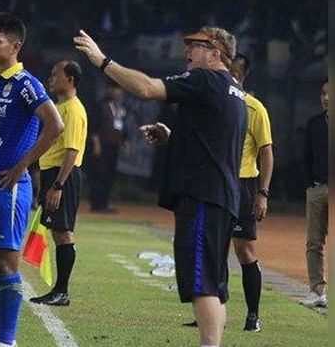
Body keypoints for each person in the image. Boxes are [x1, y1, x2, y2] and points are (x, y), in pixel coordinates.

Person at [75, 26, 246, 347]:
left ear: (216, 52)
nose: (188, 50)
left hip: (202, 197)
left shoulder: (205, 80)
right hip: (221, 197)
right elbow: (214, 142)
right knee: (215, 284)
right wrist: (174, 138)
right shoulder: (233, 89)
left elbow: (147, 88)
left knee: (202, 285)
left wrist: (102, 61)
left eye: (196, 45)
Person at [0, 12, 63, 347]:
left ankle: (7, 342)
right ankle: (1, 339)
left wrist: (23, 166)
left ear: (16, 45)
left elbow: (55, 126)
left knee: (6, 264)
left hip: (9, 188)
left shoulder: (27, 85)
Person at [181, 53, 274, 332]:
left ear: (240, 75)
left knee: (244, 249)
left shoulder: (255, 109)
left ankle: (253, 315)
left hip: (244, 186)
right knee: (212, 251)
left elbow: (267, 154)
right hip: (216, 184)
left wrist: (263, 193)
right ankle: (209, 314)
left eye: (229, 71)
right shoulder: (215, 105)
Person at [29, 60, 88, 306]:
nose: (51, 79)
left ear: (70, 79)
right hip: (53, 175)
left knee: (63, 233)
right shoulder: (60, 106)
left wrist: (58, 186)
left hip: (64, 176)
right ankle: (59, 290)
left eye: (56, 75)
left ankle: (62, 291)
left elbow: (72, 152)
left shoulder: (73, 109)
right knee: (58, 232)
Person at [300, 77, 328, 308]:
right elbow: (306, 157)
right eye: (323, 93)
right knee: (314, 242)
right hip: (318, 189)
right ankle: (316, 291)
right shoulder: (314, 124)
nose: (326, 97)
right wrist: (311, 184)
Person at [89, 81, 126, 213]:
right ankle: (96, 204)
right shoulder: (100, 105)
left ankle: (104, 203)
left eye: (119, 90)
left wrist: (124, 142)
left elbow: (121, 125)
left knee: (110, 175)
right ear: (109, 89)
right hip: (102, 144)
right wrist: (96, 143)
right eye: (115, 89)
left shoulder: (119, 105)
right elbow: (94, 126)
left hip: (114, 145)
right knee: (100, 173)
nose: (118, 92)